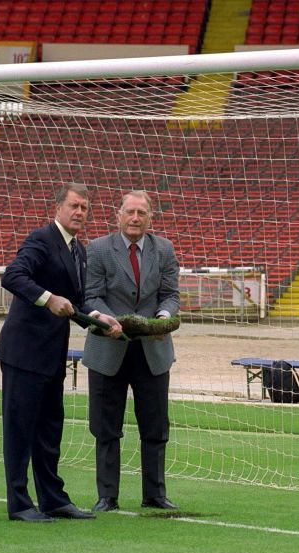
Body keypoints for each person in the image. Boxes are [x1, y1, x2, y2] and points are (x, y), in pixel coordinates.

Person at [0, 182, 121, 523]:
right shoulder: (41, 239)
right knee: (20, 430)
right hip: (23, 353)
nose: (79, 212)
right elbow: (13, 276)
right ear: (58, 208)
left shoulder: (78, 250)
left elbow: (74, 304)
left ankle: (53, 499)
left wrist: (96, 318)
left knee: (50, 430)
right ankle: (19, 503)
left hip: (51, 357)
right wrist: (47, 298)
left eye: (85, 208)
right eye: (74, 206)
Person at [82, 190, 181, 512]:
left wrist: (164, 319)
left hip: (152, 350)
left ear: (150, 217)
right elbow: (91, 296)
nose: (135, 218)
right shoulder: (97, 249)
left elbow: (170, 295)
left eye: (141, 213)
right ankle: (107, 496)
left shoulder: (163, 249)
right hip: (107, 350)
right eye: (130, 212)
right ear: (118, 216)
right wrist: (107, 319)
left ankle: (154, 494)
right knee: (105, 426)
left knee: (155, 426)